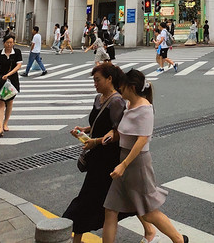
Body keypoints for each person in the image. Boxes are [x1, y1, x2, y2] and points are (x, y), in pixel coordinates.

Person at [63, 64, 159, 243]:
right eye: (93, 80)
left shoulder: (117, 102)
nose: (95, 83)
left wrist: (97, 142)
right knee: (118, 203)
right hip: (98, 159)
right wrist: (86, 130)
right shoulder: (99, 99)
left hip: (109, 160)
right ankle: (150, 230)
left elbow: (119, 131)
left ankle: (168, 236)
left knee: (93, 200)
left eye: (97, 79)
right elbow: (102, 124)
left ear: (109, 79)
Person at [102, 69, 189, 243]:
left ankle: (179, 240)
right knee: (110, 210)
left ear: (132, 87)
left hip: (137, 164)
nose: (120, 88)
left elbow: (142, 140)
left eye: (123, 86)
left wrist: (124, 165)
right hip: (124, 161)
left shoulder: (145, 108)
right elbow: (126, 131)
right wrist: (112, 135)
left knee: (149, 213)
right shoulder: (129, 105)